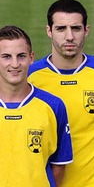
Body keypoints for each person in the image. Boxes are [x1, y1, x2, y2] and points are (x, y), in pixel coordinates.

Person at [28, 0, 94, 187]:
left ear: (86, 30)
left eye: (75, 28)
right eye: (60, 29)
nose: (69, 37)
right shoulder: (31, 76)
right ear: (49, 31)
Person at [0, 25, 72, 186]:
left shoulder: (53, 106)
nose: (14, 64)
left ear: (31, 58)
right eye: (6, 56)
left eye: (21, 56)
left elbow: (60, 165)